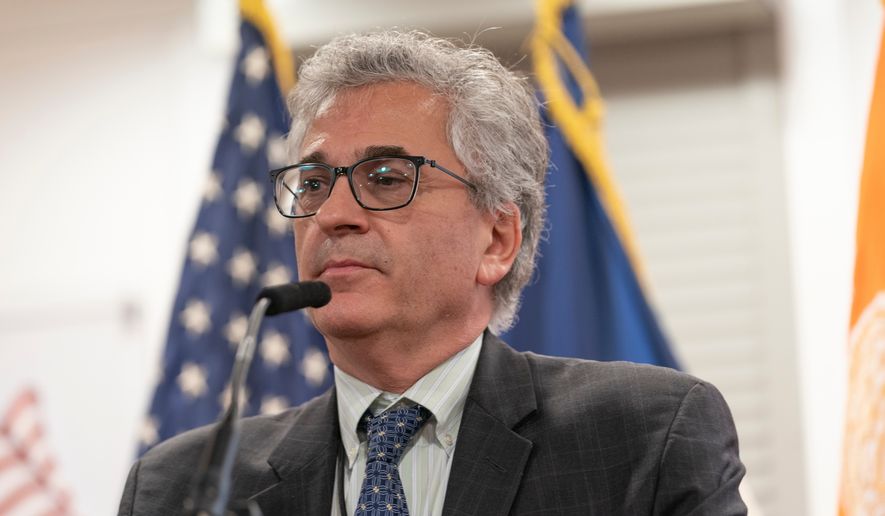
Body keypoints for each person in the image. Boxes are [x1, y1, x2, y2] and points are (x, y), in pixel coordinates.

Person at [118, 30, 746, 515]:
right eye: (312, 183)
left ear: (497, 239)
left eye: (387, 178)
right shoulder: (176, 487)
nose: (332, 214)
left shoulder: (644, 438)